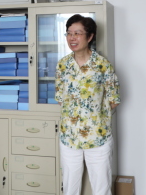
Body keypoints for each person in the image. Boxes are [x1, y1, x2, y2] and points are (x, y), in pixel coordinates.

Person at [55, 14, 120, 195]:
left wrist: (93, 116)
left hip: (98, 136)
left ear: (90, 36)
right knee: (70, 188)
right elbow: (60, 98)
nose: (72, 38)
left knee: (101, 188)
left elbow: (114, 100)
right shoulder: (62, 65)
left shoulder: (103, 65)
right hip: (69, 137)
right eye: (69, 33)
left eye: (77, 33)